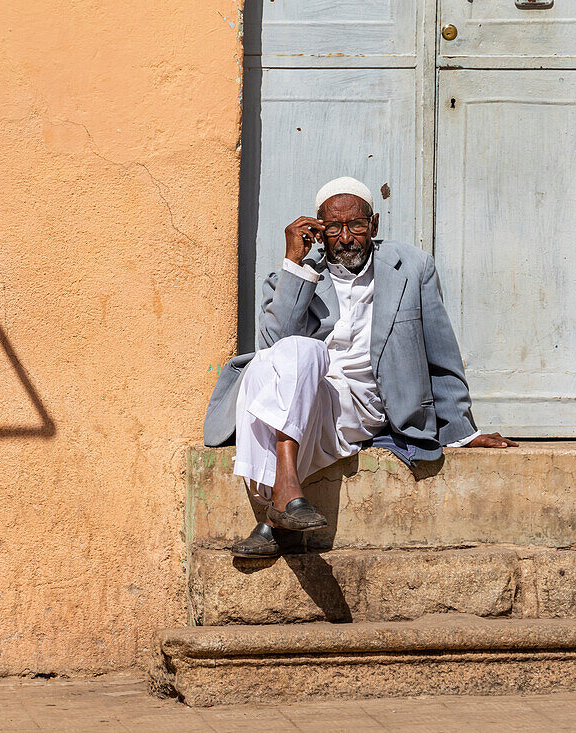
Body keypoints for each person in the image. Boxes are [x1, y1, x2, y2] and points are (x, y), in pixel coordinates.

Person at [204, 176, 517, 557]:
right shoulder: (295, 275)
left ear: (374, 225)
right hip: (303, 391)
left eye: (356, 225)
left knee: (298, 372)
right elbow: (274, 348)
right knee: (303, 352)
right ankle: (287, 495)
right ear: (319, 231)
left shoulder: (412, 268)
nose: (346, 238)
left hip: (359, 404)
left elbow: (440, 352)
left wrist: (461, 431)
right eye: (333, 228)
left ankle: (277, 513)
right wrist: (294, 262)